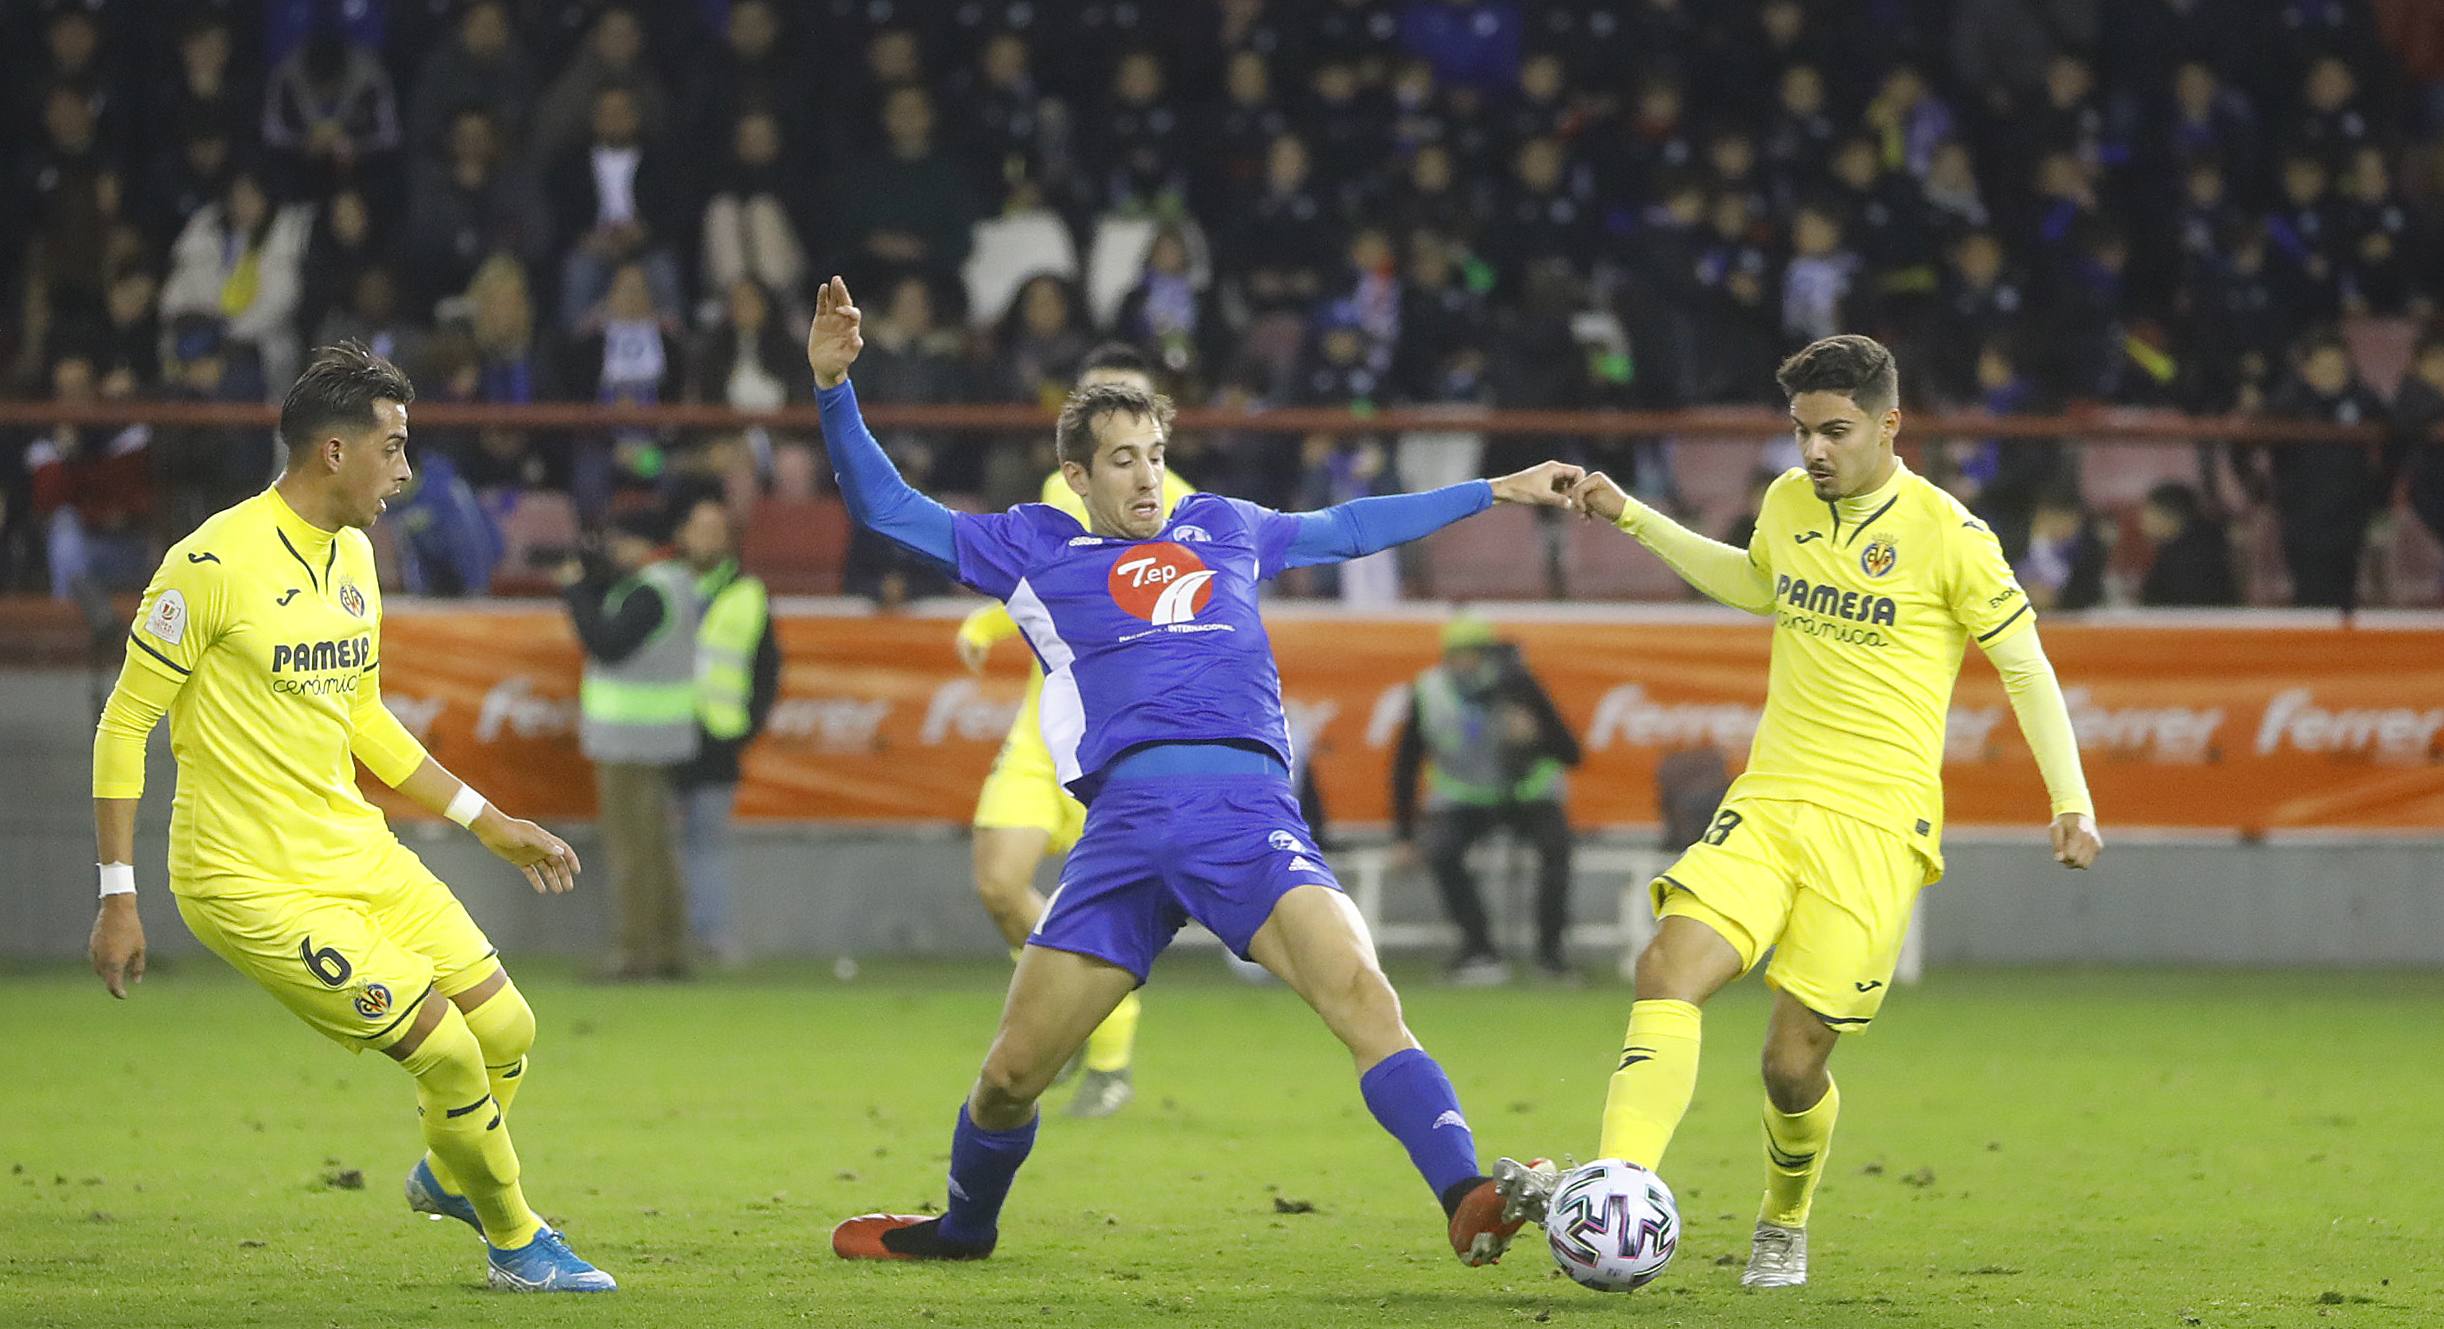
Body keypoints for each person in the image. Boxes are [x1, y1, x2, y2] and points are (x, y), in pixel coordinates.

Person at [806, 275, 1570, 1266]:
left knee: (1362, 996)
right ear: (1074, 476)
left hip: (1242, 811)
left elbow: (1346, 526)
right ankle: (964, 1227)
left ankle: (1466, 1195)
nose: (1145, 478)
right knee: (1007, 1079)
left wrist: (1492, 490)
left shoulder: (1221, 527)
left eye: (1155, 456)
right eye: (1121, 461)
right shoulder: (1030, 547)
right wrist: (832, 388)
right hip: (1120, 834)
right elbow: (883, 505)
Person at [1537, 335, 2102, 1290]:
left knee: (1791, 1068)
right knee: (1667, 964)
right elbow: (1759, 585)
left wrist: (2073, 800)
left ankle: (1783, 1217)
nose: (1813, 452)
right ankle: (1622, 1187)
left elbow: (2025, 667)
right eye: (1801, 431)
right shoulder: (1788, 504)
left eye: (1835, 431)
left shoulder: (1952, 537)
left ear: (1890, 424)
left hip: (1877, 829)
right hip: (1771, 798)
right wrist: (1633, 516)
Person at [85, 343, 614, 1292]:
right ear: (334, 451)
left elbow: (362, 714)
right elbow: (125, 723)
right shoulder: (207, 564)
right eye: (395, 448)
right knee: (449, 1050)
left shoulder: (359, 556)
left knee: (508, 1033)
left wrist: (486, 817)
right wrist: (117, 893)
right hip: (247, 881)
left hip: (357, 852)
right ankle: (517, 1242)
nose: (405, 472)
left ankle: (451, 1171)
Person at [954, 343, 1190, 1118]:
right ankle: (1064, 1017)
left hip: (1113, 738)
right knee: (997, 883)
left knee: (1106, 914)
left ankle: (1106, 1051)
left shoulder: (1181, 505)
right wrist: (993, 620)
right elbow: (1056, 575)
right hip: (1036, 731)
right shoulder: (1062, 486)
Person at [1390, 613, 1583, 984]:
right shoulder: (1428, 692)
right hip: (1463, 799)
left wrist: (1536, 735)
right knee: (1442, 850)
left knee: (1556, 849)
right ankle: (1478, 950)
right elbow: (1405, 765)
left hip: (1527, 794)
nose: (1466, 664)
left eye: (1474, 655)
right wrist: (1403, 835)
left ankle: (1551, 955)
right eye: (1458, 655)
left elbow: (1571, 753)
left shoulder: (1521, 687)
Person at [559, 505, 700, 981]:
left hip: (629, 741)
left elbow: (605, 643)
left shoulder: (649, 591)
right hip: (659, 738)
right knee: (657, 851)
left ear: (642, 544)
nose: (615, 552)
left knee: (632, 854)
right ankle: (669, 949)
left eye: (621, 542)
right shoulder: (674, 584)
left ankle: (636, 953)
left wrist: (576, 590)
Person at [670, 494, 781, 965]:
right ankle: (669, 939)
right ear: (682, 535)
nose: (707, 538)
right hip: (663, 732)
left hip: (716, 737)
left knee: (706, 844)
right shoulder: (662, 585)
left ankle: (708, 939)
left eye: (716, 529)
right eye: (699, 527)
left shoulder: (748, 592)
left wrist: (745, 729)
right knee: (665, 845)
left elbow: (767, 669)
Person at [2136, 482, 2238, 607]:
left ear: (2169, 516)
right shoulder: (2198, 544)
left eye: (2147, 513)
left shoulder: (2188, 559)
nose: (2141, 522)